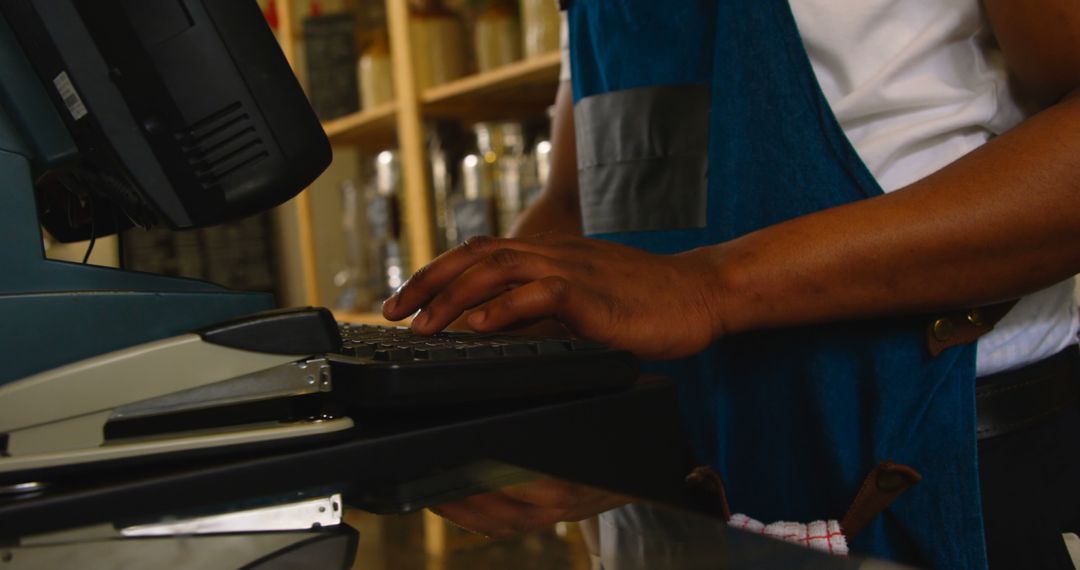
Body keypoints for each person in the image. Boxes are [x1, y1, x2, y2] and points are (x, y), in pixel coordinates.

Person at [383, 1, 1080, 567]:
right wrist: (512, 388)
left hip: (946, 468)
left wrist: (710, 284)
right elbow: (586, 193)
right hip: (668, 499)